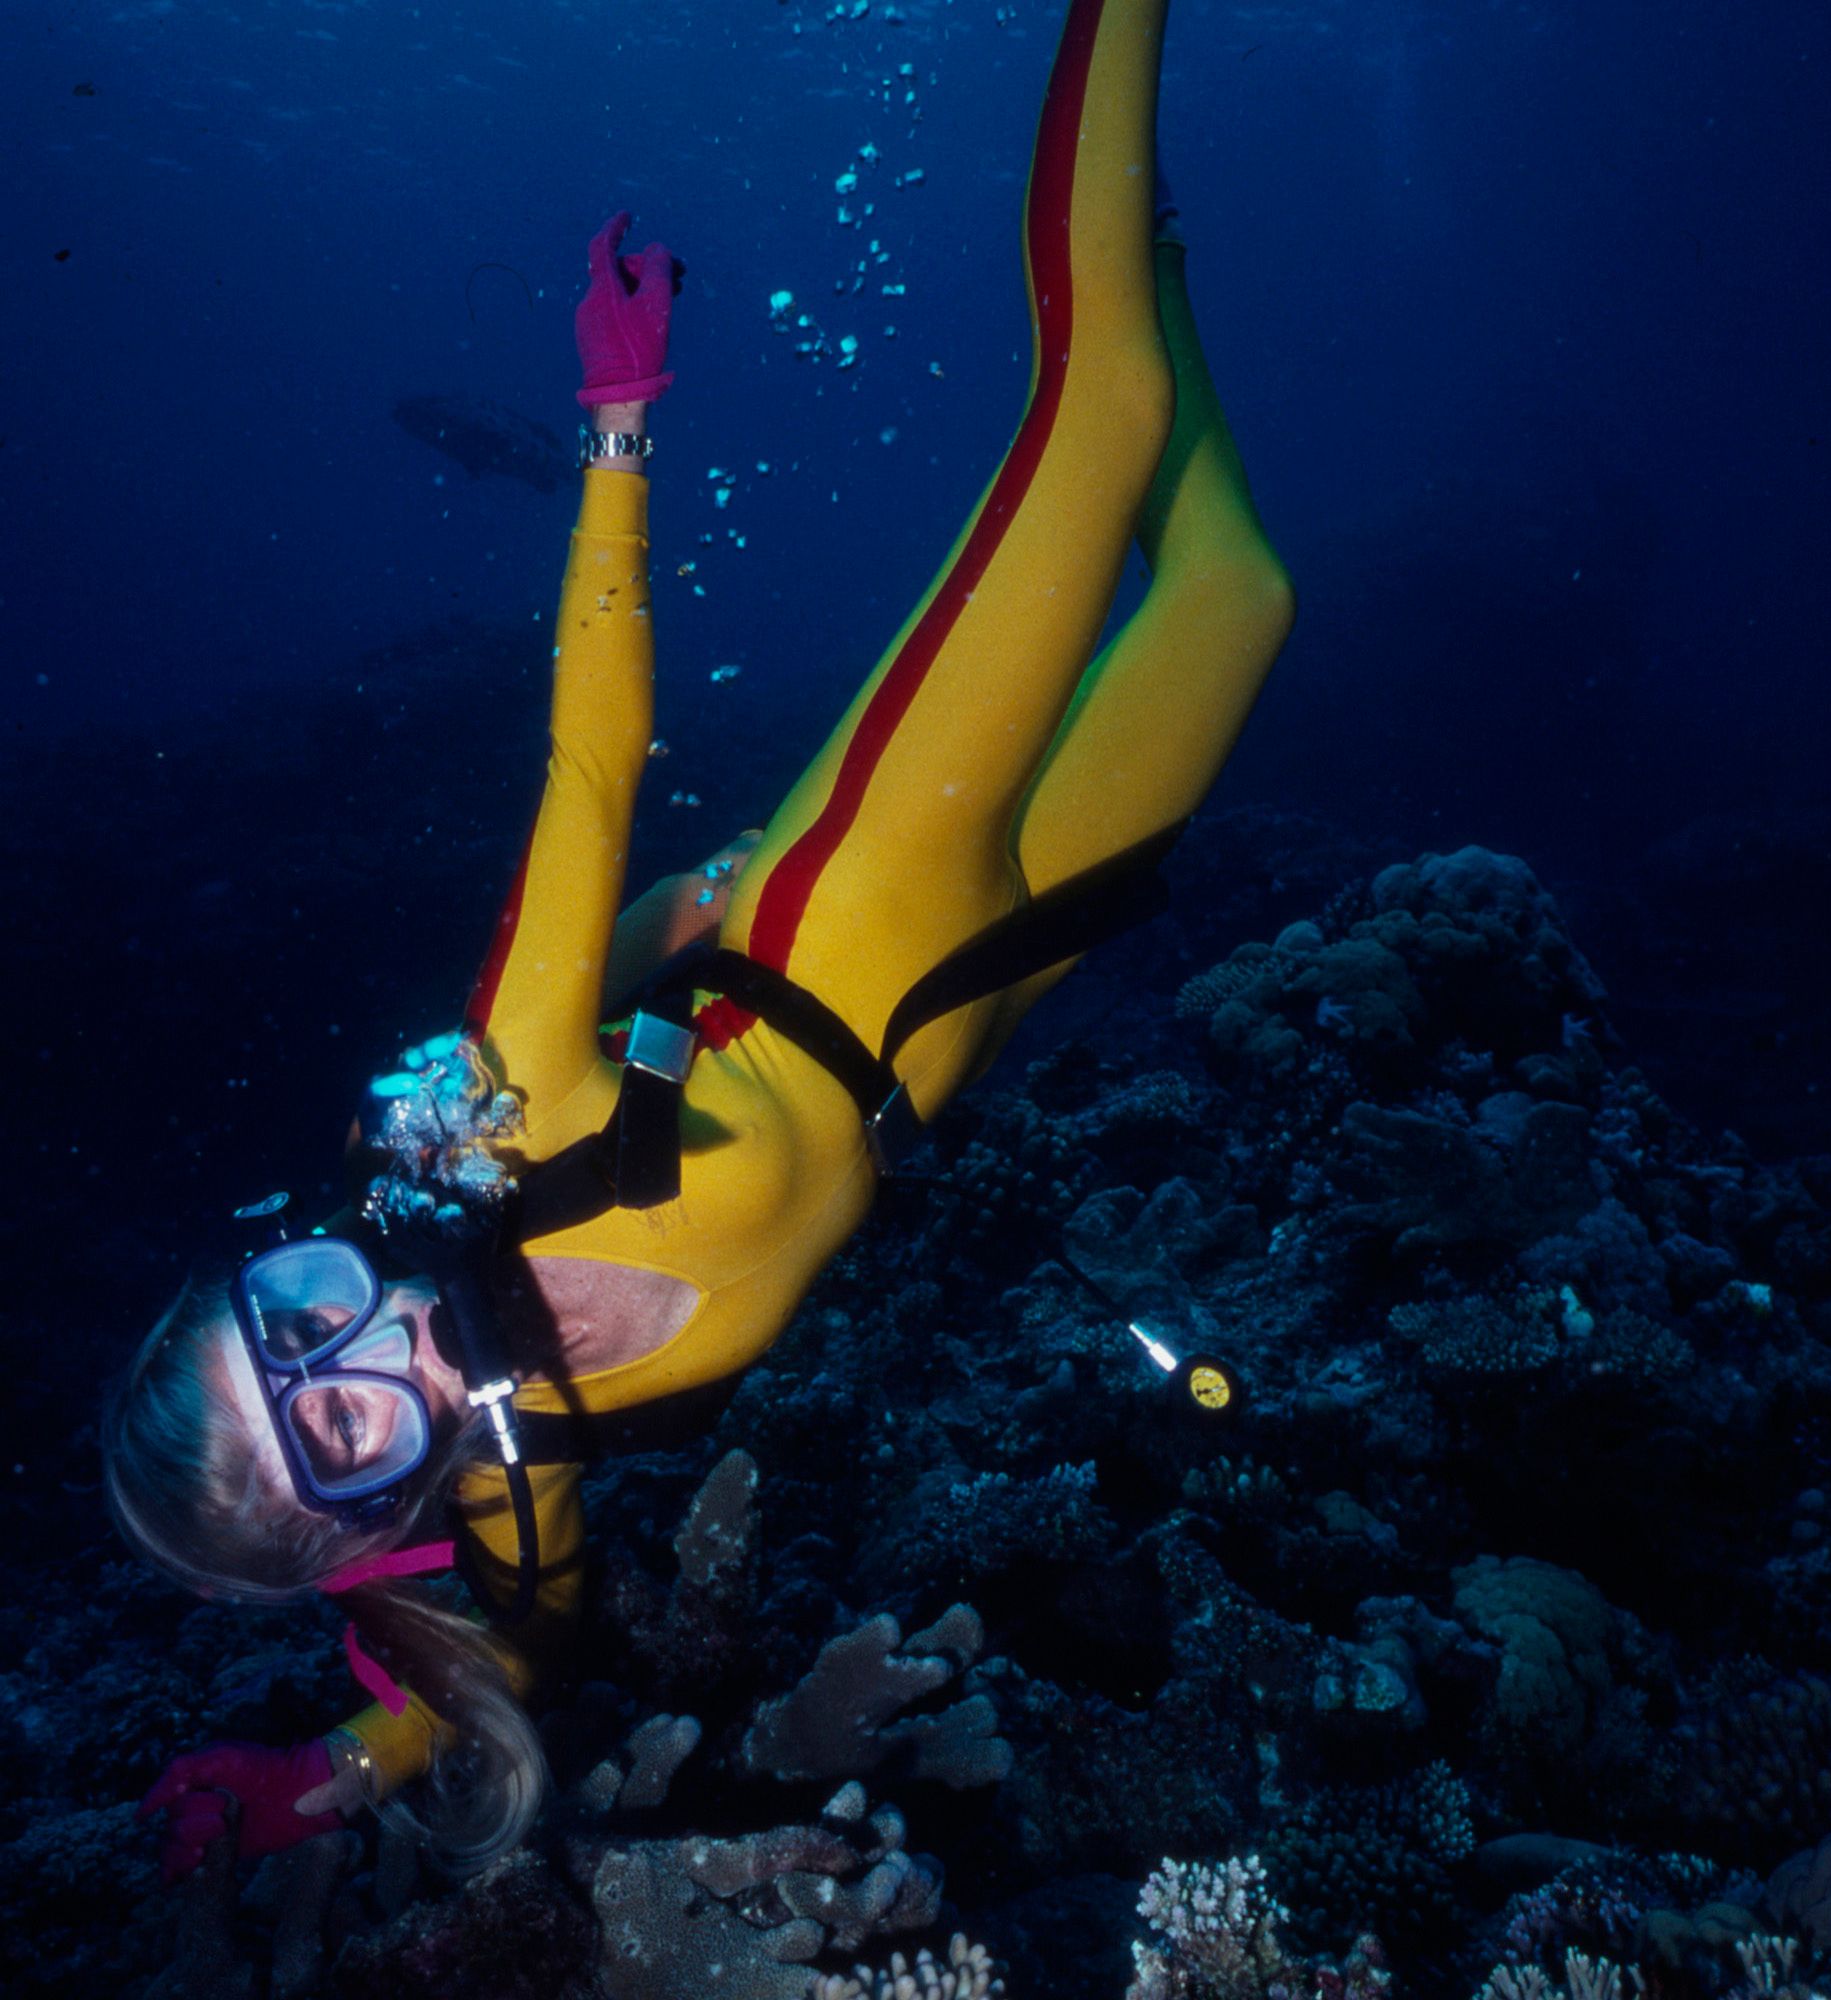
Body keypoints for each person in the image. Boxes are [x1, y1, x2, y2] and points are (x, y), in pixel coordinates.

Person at [109, 0, 1296, 1882]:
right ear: (376, 1512)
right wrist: (316, 1780)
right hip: (977, 995)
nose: (374, 1329)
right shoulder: (520, 1468)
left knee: (1099, 413)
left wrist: (616, 434)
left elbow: (588, 772)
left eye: (295, 1312)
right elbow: (508, 1650)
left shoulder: (493, 1118)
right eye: (338, 1418)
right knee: (1239, 592)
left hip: (855, 893)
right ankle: (1149, 267)